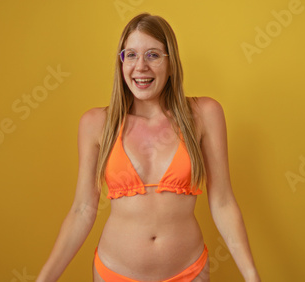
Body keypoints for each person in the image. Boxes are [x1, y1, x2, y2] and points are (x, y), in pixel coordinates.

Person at [36, 13, 261, 282]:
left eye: (153, 55)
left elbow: (223, 202)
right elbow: (83, 210)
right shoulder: (96, 123)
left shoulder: (204, 115)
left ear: (171, 63)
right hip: (114, 274)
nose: (140, 66)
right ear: (121, 64)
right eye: (130, 55)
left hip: (189, 273)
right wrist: (44, 279)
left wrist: (251, 276)